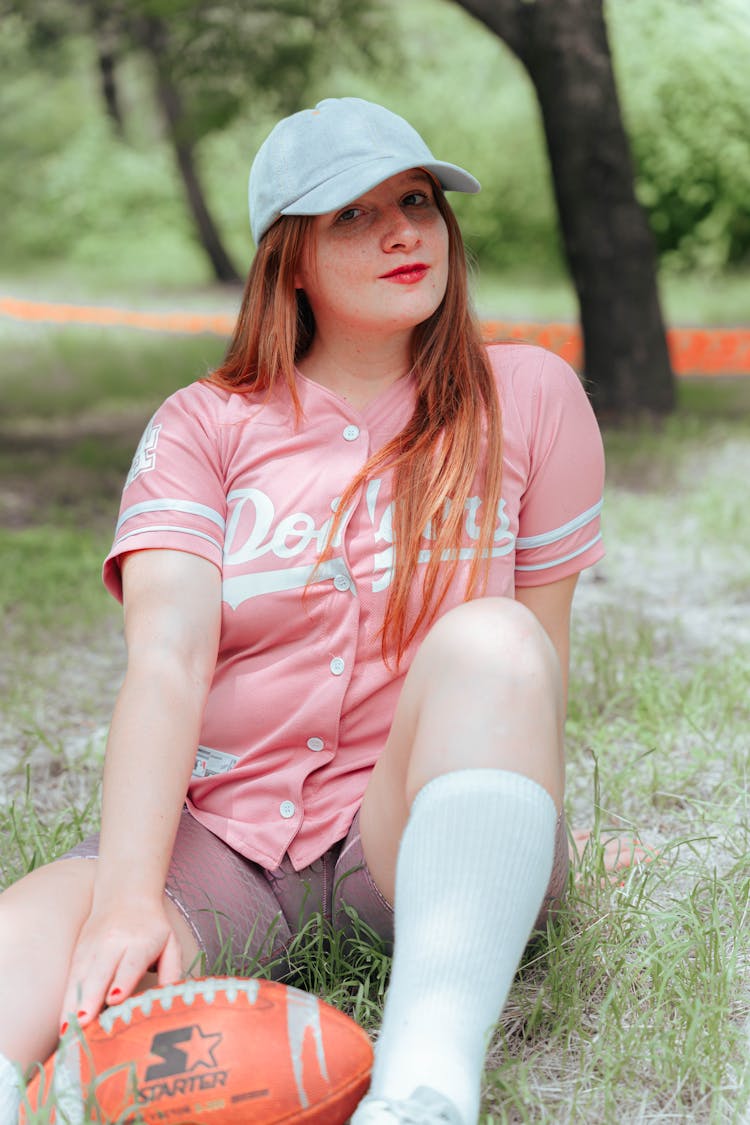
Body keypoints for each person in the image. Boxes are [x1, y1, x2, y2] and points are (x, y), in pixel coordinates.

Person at [0, 97, 605, 1125]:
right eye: (353, 217)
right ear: (290, 262)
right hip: (234, 840)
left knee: (494, 639)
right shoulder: (205, 425)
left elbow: (534, 672)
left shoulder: (533, 396)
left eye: (416, 202)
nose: (404, 232)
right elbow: (168, 664)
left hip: (415, 840)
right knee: (45, 930)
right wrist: (129, 901)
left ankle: (424, 1089)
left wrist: (557, 831)